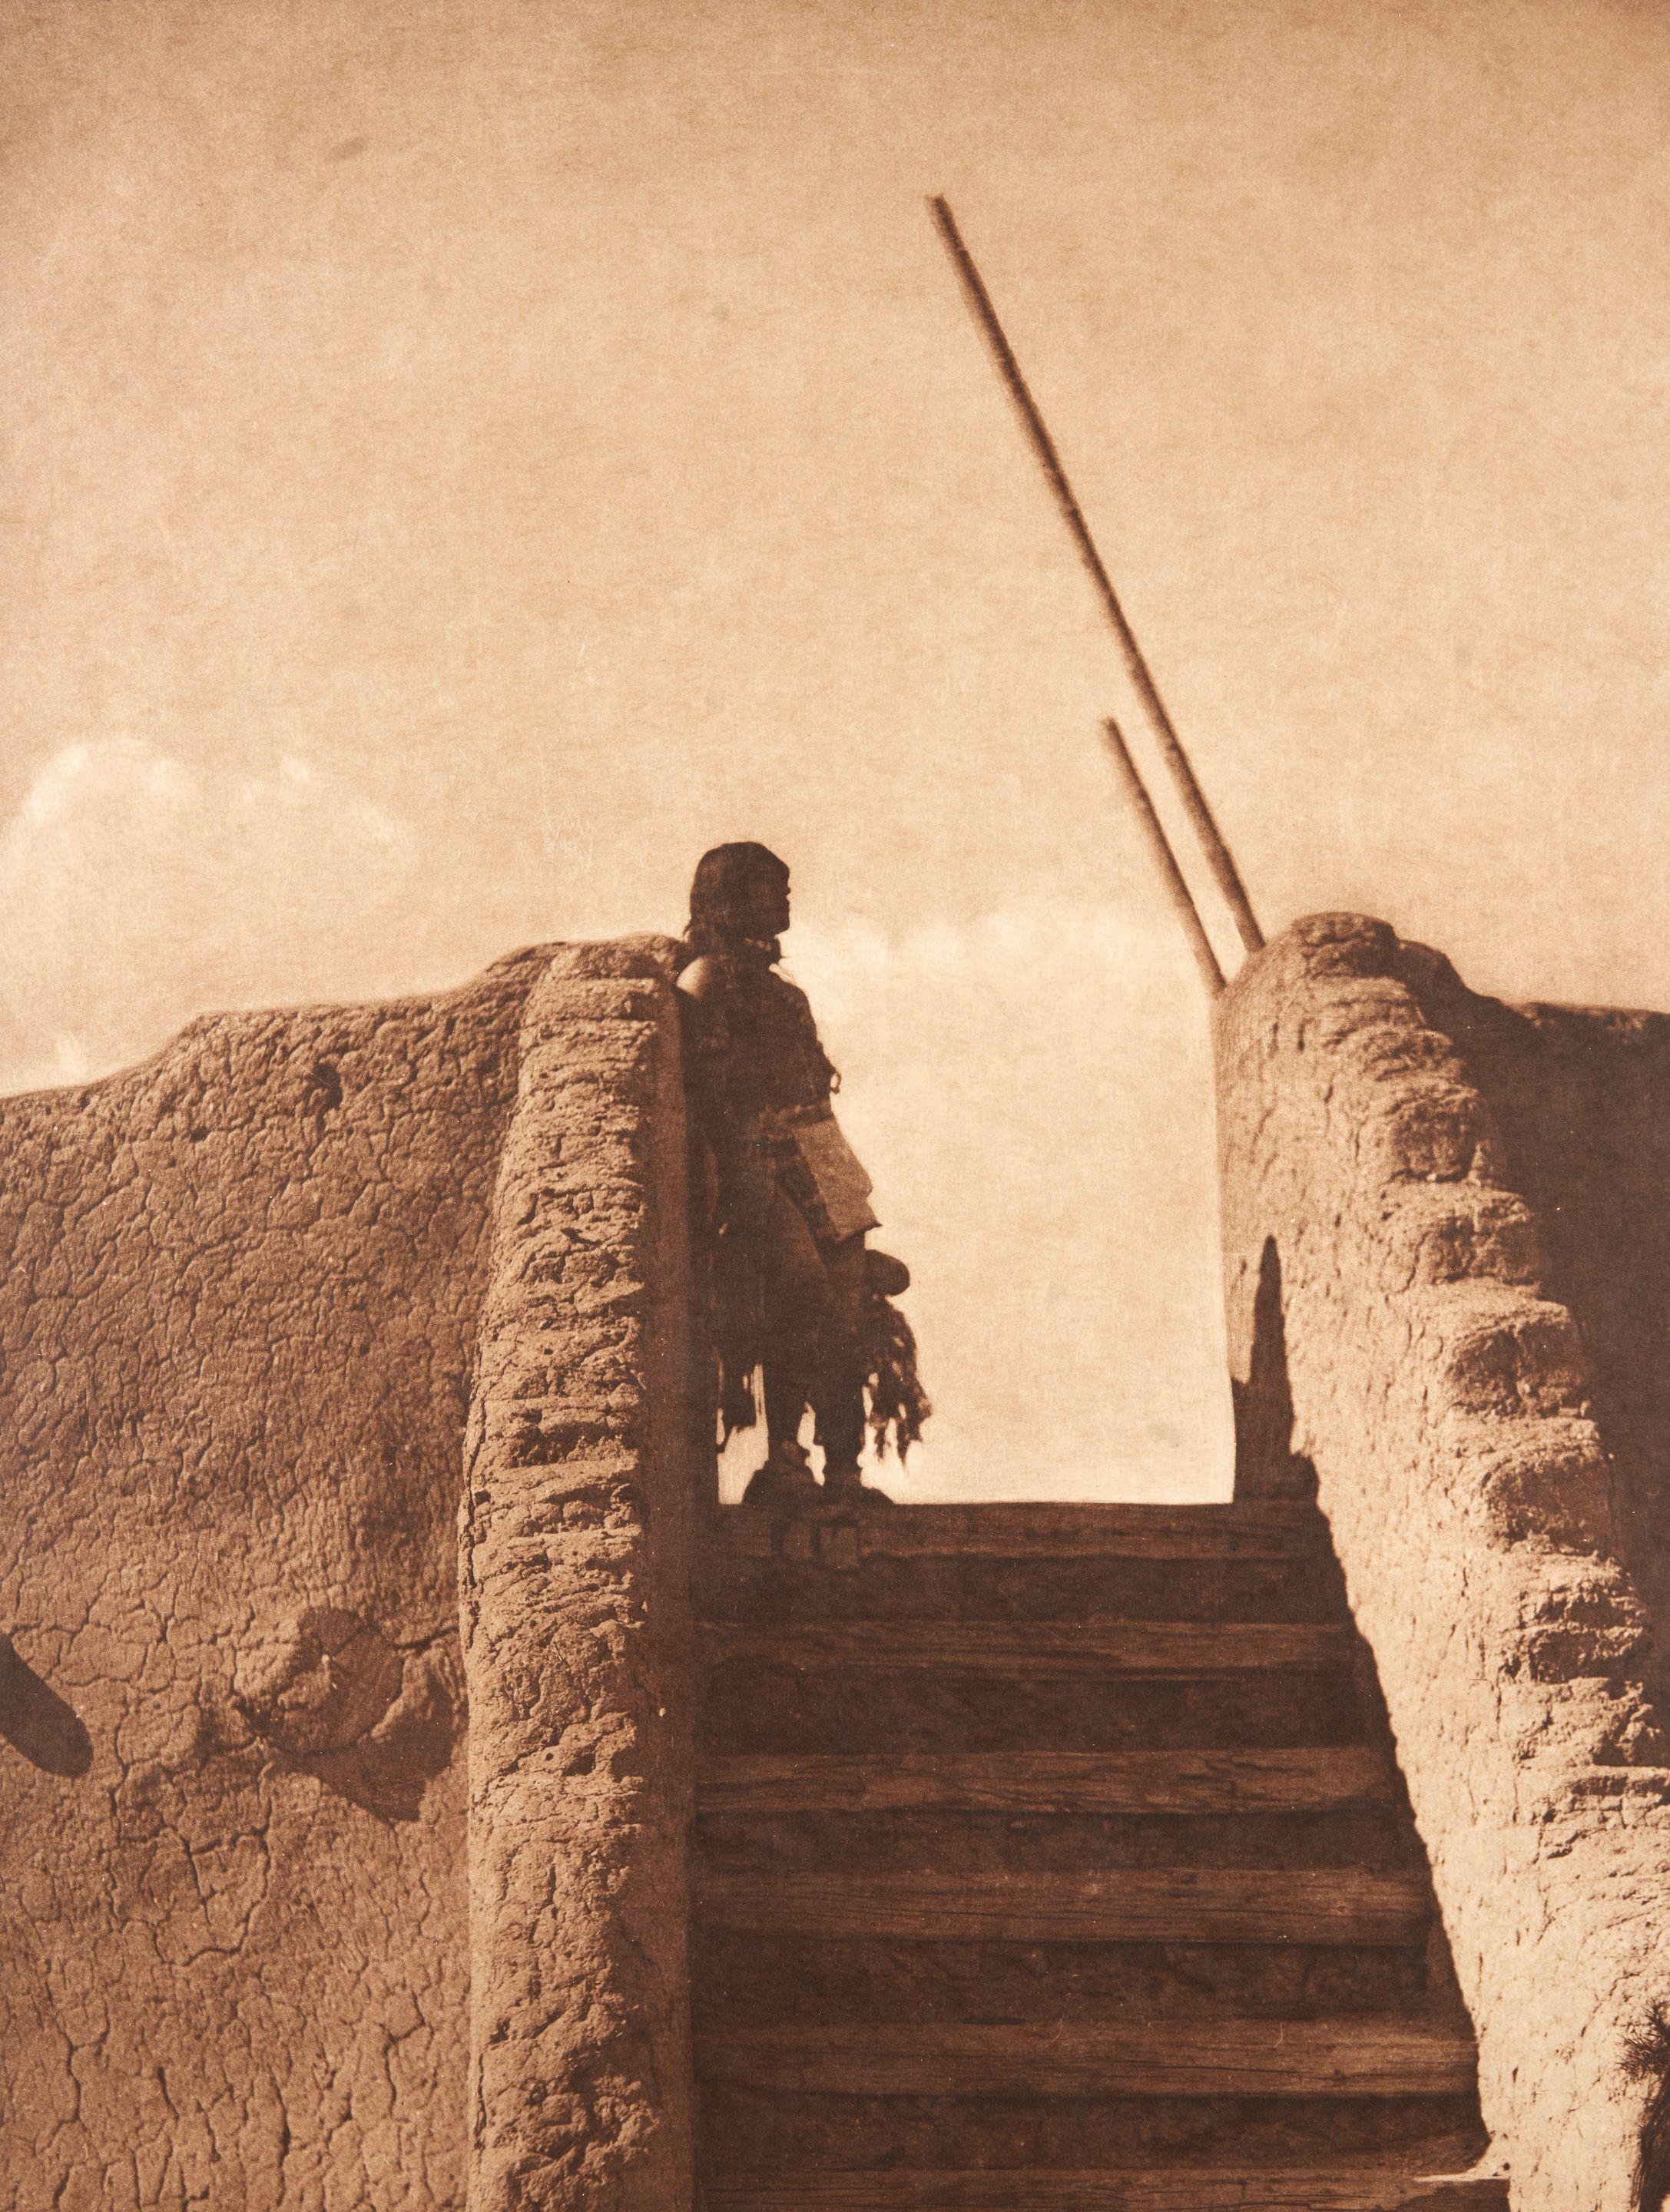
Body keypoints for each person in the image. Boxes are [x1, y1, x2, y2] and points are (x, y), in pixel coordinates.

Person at [675, 843, 924, 1508]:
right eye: (768, 887)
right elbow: (707, 1092)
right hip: (757, 1155)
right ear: (730, 896)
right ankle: (785, 1461)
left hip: (820, 1151)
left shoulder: (788, 996)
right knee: (801, 1290)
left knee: (847, 1314)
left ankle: (843, 1471)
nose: (783, 898)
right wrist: (738, 1173)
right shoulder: (706, 979)